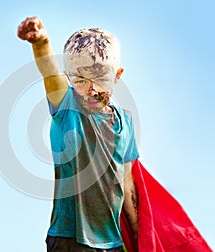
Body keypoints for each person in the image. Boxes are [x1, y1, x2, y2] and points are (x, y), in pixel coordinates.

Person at [17, 16, 140, 252]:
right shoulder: (67, 107)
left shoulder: (125, 122)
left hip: (112, 241)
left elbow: (127, 185)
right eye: (82, 80)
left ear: (117, 75)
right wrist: (41, 43)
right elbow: (50, 74)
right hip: (68, 239)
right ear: (70, 77)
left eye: (100, 78)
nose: (91, 89)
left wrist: (138, 236)